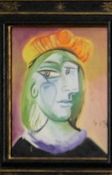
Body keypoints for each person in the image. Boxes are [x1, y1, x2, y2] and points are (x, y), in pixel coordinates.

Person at [12, 29, 106, 158]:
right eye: (50, 74)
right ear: (33, 89)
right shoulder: (17, 153)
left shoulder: (95, 154)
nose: (66, 86)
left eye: (71, 72)